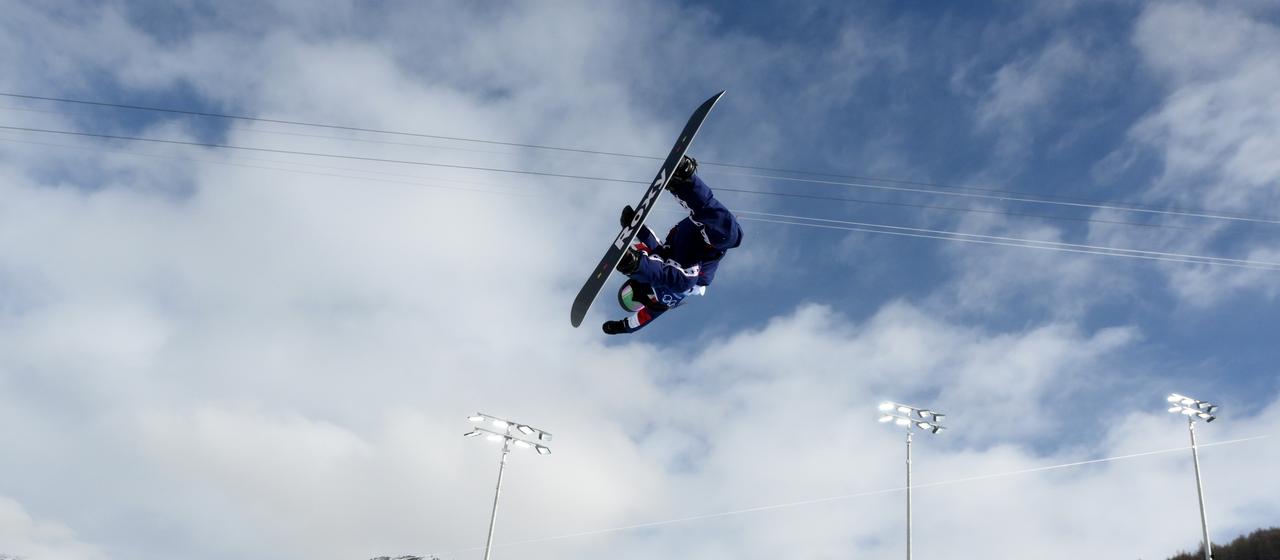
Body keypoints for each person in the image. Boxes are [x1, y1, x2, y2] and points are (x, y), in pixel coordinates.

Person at [603, 156, 743, 335]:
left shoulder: (656, 268)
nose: (636, 297)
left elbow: (653, 244)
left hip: (682, 242)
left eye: (628, 294)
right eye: (633, 303)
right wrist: (623, 326)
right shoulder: (663, 300)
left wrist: (635, 228)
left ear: (630, 282)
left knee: (725, 229)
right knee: (728, 235)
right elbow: (644, 318)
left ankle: (683, 183)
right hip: (703, 249)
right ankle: (685, 181)